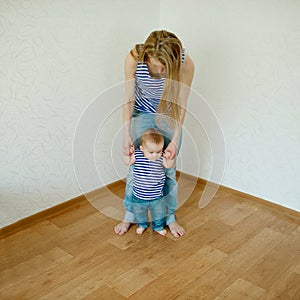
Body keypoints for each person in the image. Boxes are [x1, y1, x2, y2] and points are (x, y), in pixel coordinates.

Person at [114, 29, 194, 237]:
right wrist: (126, 136)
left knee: (168, 170)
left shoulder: (185, 64)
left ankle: (169, 217)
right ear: (147, 56)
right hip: (140, 116)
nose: (159, 70)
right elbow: (128, 99)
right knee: (135, 168)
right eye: (154, 64)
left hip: (169, 116)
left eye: (164, 67)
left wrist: (175, 140)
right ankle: (130, 215)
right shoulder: (134, 58)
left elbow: (181, 104)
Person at [123, 128, 175, 236]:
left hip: (157, 196)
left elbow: (169, 165)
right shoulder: (137, 155)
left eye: (158, 151)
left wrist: (170, 157)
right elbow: (127, 162)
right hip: (138, 196)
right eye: (151, 152)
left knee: (159, 214)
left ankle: (158, 227)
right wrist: (126, 153)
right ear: (142, 148)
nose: (155, 155)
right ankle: (142, 225)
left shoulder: (161, 158)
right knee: (140, 213)